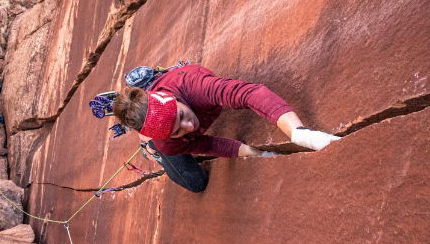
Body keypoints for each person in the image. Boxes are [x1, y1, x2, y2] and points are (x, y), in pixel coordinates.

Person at [112, 64, 339, 192]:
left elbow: (250, 93)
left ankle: (149, 83)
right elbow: (207, 144)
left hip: (175, 82)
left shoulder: (193, 85)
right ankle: (146, 142)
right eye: (178, 131)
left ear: (175, 100)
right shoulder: (166, 143)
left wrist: (297, 132)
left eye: (181, 116)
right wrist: (252, 153)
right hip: (158, 139)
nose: (189, 126)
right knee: (195, 183)